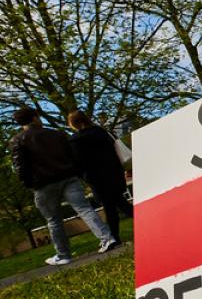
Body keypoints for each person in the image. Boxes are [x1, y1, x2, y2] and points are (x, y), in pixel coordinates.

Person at [9, 107, 119, 265]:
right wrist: (74, 171)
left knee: (53, 220)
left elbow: (20, 166)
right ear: (34, 118)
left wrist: (29, 183)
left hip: (43, 184)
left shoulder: (17, 140)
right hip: (68, 177)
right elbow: (72, 155)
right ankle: (108, 239)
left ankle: (63, 255)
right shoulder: (56, 133)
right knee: (85, 209)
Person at [68, 110, 134, 244]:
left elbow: (78, 163)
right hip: (113, 172)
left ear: (75, 124)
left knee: (112, 207)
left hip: (96, 177)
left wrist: (82, 176)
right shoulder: (102, 132)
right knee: (118, 203)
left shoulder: (75, 140)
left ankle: (115, 237)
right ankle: (116, 236)